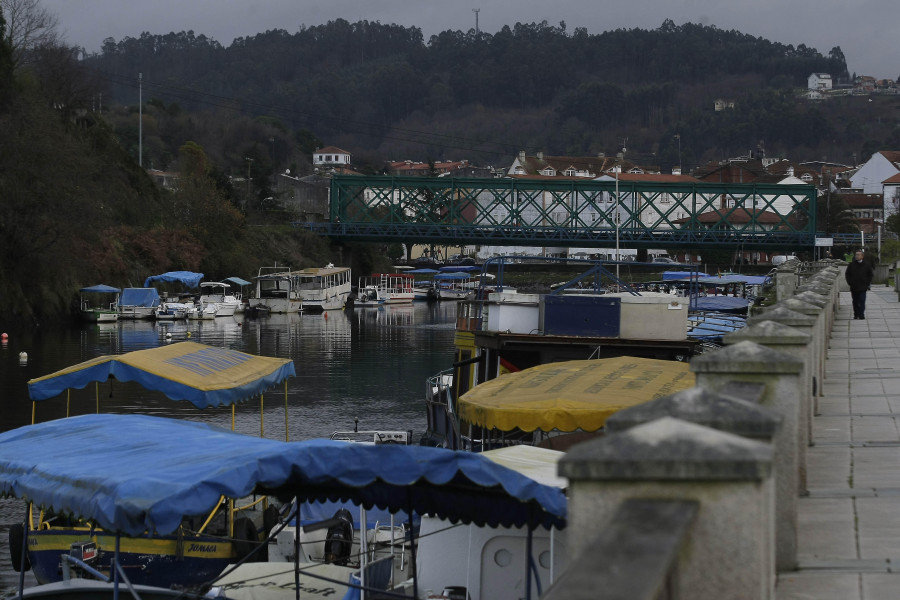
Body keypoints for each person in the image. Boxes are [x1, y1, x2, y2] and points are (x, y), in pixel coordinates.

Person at [844, 250, 874, 320]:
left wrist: (867, 283)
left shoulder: (867, 265)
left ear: (862, 256)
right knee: (855, 301)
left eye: (858, 255)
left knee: (862, 300)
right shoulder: (851, 265)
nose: (856, 256)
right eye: (856, 255)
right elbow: (847, 274)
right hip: (854, 286)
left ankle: (861, 314)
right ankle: (856, 314)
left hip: (863, 286)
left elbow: (870, 275)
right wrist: (850, 282)